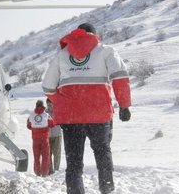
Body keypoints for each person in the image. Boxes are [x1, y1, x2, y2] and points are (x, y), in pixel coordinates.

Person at [42, 23, 131, 194]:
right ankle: (107, 189)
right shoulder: (106, 51)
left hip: (71, 118)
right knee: (102, 155)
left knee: (74, 164)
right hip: (99, 116)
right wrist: (124, 105)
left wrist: (63, 102)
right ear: (94, 35)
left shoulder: (62, 55)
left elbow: (48, 87)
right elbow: (120, 77)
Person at [27, 100, 54, 177]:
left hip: (35, 139)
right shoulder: (46, 115)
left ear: (36, 106)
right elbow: (52, 124)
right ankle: (44, 173)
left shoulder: (31, 115)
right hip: (45, 139)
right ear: (42, 106)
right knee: (45, 157)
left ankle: (37, 173)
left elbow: (29, 126)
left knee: (36, 157)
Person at [46, 98, 62, 174]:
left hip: (57, 135)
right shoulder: (44, 113)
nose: (49, 106)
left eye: (50, 104)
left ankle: (56, 170)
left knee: (57, 153)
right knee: (48, 153)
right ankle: (49, 170)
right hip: (47, 135)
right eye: (48, 104)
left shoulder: (58, 111)